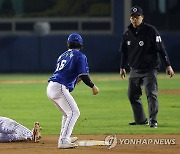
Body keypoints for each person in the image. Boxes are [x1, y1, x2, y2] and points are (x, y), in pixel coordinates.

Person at [119, 6, 175, 128]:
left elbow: (161, 49)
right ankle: (141, 120)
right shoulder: (127, 33)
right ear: (130, 18)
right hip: (134, 69)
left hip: (150, 69)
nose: (135, 19)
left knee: (151, 94)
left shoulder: (151, 31)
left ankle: (153, 120)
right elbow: (124, 51)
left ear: (142, 17)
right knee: (132, 95)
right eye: (132, 17)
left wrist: (168, 65)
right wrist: (122, 67)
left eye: (137, 17)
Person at [46, 33, 99, 149]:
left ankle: (64, 137)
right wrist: (93, 86)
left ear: (68, 44)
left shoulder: (62, 55)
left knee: (67, 113)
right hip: (59, 87)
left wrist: (76, 80)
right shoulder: (80, 56)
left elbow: (67, 73)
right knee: (74, 112)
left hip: (51, 87)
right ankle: (64, 140)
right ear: (81, 44)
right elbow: (84, 75)